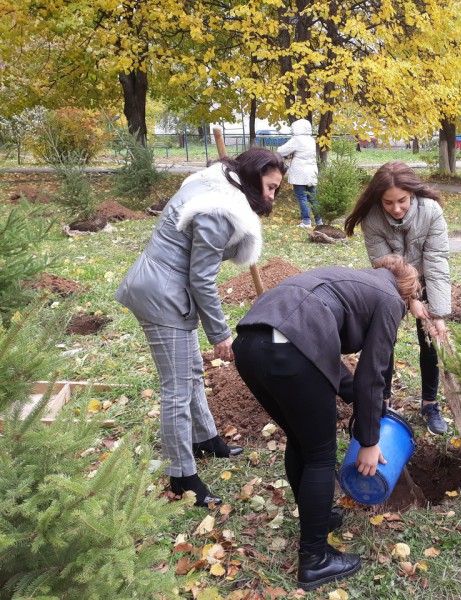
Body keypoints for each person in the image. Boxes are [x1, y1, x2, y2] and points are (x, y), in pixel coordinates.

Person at [232, 256, 421, 591]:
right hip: (289, 349)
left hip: (251, 344)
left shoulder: (350, 281)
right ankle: (316, 559)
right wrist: (368, 440)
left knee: (300, 438)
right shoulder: (392, 299)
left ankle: (314, 519)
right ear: (407, 293)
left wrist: (357, 400)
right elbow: (372, 374)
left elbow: (318, 350)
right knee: (320, 453)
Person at [116, 148, 287, 507]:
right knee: (176, 389)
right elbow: (201, 280)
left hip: (166, 287)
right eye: (270, 188)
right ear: (253, 177)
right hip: (163, 295)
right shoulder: (220, 211)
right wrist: (220, 334)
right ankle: (182, 475)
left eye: (276, 190)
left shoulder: (213, 188)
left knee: (191, 371)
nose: (271, 197)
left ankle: (206, 439)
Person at [343, 161, 451, 435]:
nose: (397, 208)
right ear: (379, 199)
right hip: (389, 281)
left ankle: (429, 404)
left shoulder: (431, 212)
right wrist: (410, 298)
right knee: (382, 338)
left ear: (412, 193)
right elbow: (384, 263)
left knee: (429, 341)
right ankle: (384, 400)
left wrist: (437, 313)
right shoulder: (373, 218)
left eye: (402, 200)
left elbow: (437, 261)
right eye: (388, 202)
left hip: (427, 278)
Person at [276, 119, 321, 228]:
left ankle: (306, 221)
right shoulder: (311, 139)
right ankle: (319, 220)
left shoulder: (297, 139)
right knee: (313, 197)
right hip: (311, 172)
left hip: (300, 173)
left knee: (302, 197)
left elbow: (281, 151)